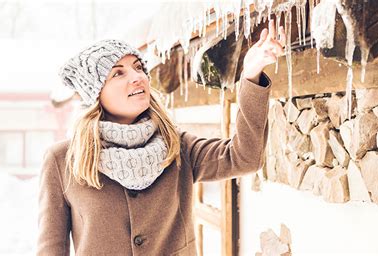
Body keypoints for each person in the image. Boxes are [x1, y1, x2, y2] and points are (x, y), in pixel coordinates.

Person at [37, 19, 286, 255]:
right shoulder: (63, 160)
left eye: (138, 68)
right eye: (118, 73)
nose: (137, 77)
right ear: (95, 95)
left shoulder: (178, 147)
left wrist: (251, 74)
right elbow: (51, 249)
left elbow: (244, 157)